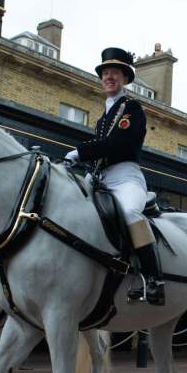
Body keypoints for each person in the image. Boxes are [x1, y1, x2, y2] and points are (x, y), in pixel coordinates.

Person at [64, 47, 164, 305]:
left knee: (130, 214)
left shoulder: (132, 109)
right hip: (100, 179)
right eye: (105, 73)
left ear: (125, 79)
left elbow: (120, 144)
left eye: (115, 73)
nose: (109, 77)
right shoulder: (102, 119)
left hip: (125, 178)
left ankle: (152, 279)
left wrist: (80, 151)